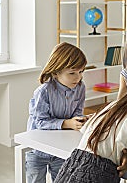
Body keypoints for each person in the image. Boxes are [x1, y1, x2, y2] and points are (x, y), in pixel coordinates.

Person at [54, 63, 127, 183]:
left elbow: (88, 132)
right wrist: (126, 155)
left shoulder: (112, 105)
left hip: (72, 163)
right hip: (98, 171)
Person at [26, 42, 88, 183]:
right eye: (72, 73)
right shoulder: (44, 92)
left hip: (61, 148)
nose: (77, 77)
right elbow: (40, 122)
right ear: (56, 72)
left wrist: (80, 120)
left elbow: (77, 112)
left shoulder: (80, 88)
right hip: (38, 150)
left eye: (81, 72)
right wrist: (67, 123)